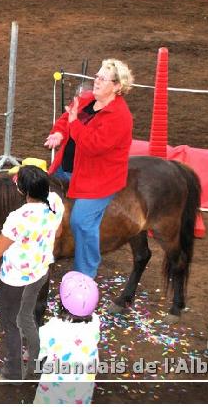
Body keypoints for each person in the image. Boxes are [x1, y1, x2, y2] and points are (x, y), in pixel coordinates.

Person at [0, 165, 64, 380]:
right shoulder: (55, 202)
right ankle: (35, 356)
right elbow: (59, 231)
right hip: (41, 273)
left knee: (11, 323)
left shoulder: (17, 218)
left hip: (15, 280)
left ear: (22, 191)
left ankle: (13, 371)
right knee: (28, 316)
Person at [43, 58, 134, 278]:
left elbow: (93, 145)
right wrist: (59, 132)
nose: (97, 80)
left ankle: (86, 272)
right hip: (67, 169)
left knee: (81, 222)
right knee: (44, 208)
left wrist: (74, 124)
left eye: (103, 78)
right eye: (97, 76)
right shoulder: (87, 100)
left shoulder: (120, 117)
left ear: (117, 86)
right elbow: (66, 117)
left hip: (99, 179)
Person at [33, 271, 100, 404]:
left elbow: (42, 352)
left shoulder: (52, 327)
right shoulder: (96, 322)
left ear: (62, 303)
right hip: (83, 387)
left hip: (54, 388)